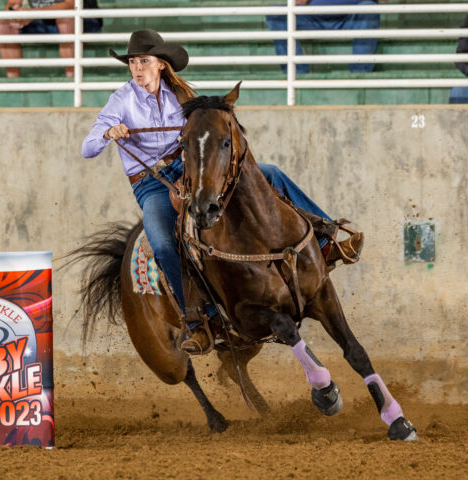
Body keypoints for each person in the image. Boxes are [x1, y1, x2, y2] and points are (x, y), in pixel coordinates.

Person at [81, 30, 362, 352]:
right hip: (151, 183)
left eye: (144, 61)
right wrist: (108, 133)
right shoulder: (121, 100)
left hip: (188, 170)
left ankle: (327, 238)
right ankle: (199, 322)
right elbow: (87, 148)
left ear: (161, 65)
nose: (137, 68)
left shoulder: (181, 96)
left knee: (270, 174)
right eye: (132, 62)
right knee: (162, 242)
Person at [265, 0, 391, 74]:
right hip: (313, 19)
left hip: (352, 19)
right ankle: (297, 75)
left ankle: (360, 74)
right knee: (278, 14)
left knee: (369, 8)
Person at [0, 0, 103, 78]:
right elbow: (12, 2)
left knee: (66, 19)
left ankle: (72, 80)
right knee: (4, 25)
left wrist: (32, 14)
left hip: (84, 20)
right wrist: (14, 14)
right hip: (42, 20)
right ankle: (13, 81)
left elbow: (71, 5)